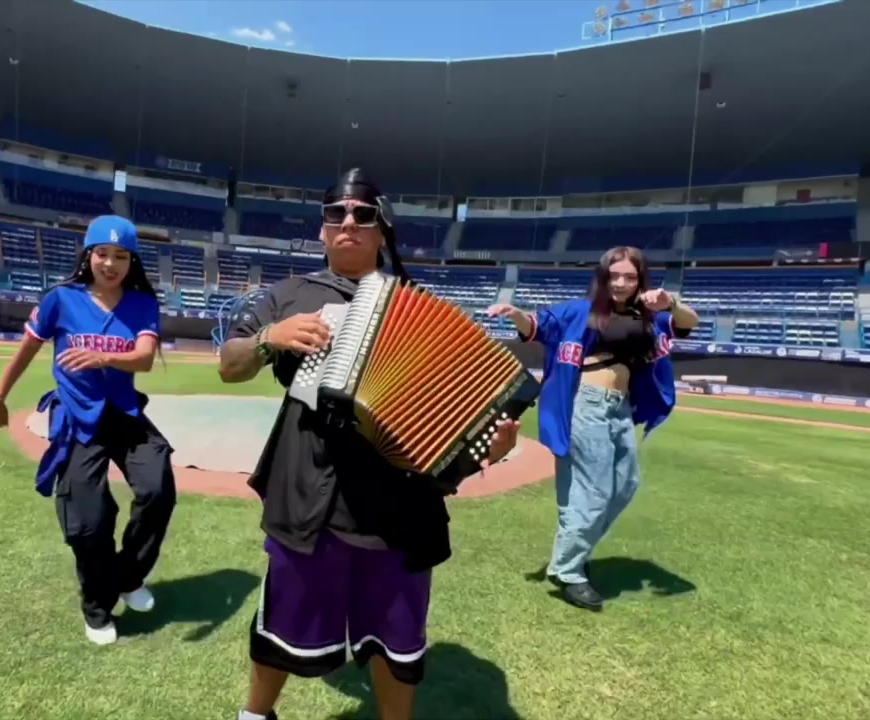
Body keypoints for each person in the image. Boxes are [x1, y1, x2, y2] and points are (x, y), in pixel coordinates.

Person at [218, 169, 520, 720]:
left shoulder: (420, 306)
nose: (349, 223)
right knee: (283, 621)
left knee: (396, 638)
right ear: (322, 229)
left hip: (398, 504)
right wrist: (268, 338)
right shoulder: (289, 295)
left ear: (382, 230)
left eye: (363, 214)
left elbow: (450, 422)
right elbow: (229, 365)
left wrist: (487, 448)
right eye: (336, 213)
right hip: (310, 490)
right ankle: (256, 715)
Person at [0, 215, 177, 645]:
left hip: (124, 415)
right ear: (88, 255)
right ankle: (97, 610)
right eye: (102, 254)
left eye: (121, 256)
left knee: (158, 489)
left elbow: (145, 358)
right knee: (89, 522)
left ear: (132, 262)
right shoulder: (61, 299)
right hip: (77, 418)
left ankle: (127, 578)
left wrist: (103, 358)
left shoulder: (142, 303)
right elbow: (27, 350)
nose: (110, 263)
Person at [487, 246, 698, 612]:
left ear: (640, 279)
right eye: (614, 276)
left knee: (625, 485)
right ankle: (568, 570)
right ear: (603, 278)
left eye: (629, 277)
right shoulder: (581, 311)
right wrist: (516, 315)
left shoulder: (650, 316)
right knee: (594, 491)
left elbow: (689, 322)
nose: (621, 283)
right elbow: (537, 327)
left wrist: (672, 303)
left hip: (620, 408)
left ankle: (573, 553)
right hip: (586, 404)